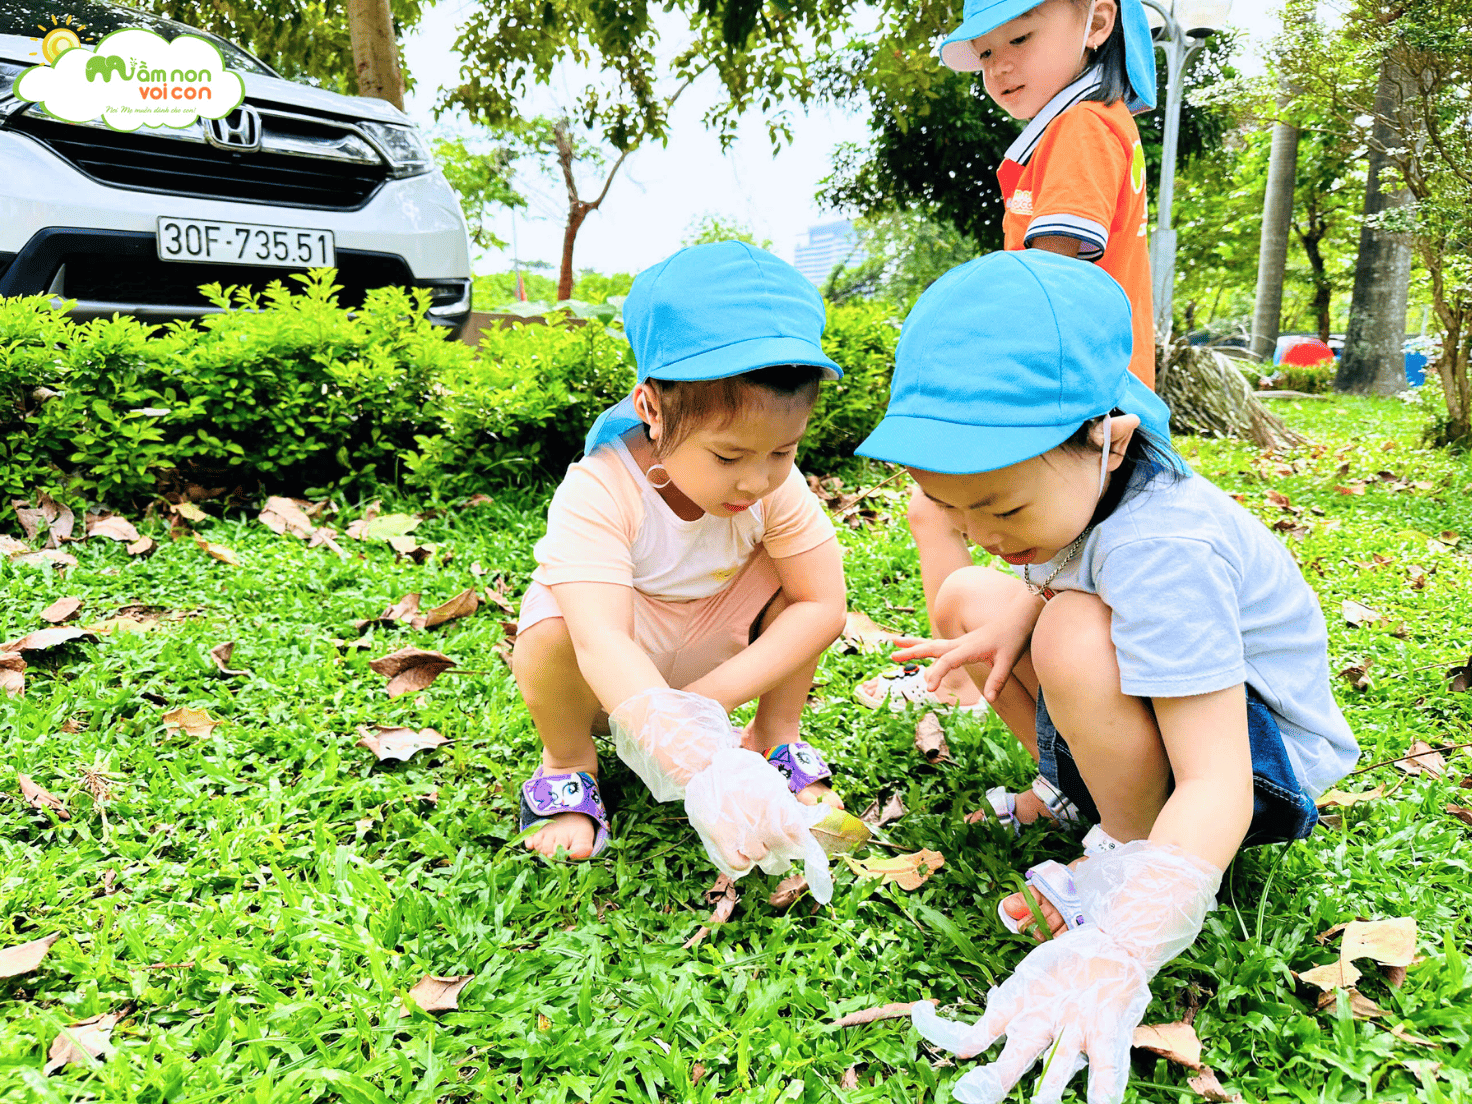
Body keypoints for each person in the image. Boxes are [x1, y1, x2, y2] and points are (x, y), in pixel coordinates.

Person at [852, 249, 1357, 1103]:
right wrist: (1019, 601)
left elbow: (1219, 779)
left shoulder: (1163, 546)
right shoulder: (1088, 493)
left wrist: (1124, 941)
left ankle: (1124, 852)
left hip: (1254, 769)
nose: (979, 531)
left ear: (1110, 440)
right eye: (952, 508)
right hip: (1176, 722)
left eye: (1003, 508)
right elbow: (1048, 568)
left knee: (1073, 635)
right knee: (983, 598)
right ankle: (1083, 798)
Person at [855, 0, 1162, 833]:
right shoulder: (1064, 131)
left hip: (1071, 408)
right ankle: (1068, 782)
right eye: (986, 52)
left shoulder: (1085, 130)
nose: (1000, 67)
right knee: (969, 549)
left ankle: (1114, 806)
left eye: (1020, 40)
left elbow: (1049, 282)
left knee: (1050, 592)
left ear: (1096, 23)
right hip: (1072, 403)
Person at [512, 241, 850, 889]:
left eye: (783, 450)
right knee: (552, 621)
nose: (758, 479)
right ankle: (568, 763)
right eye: (728, 456)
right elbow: (600, 637)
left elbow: (822, 606)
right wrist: (691, 754)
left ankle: (773, 735)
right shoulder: (601, 488)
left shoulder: (778, 487)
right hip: (607, 679)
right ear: (651, 409)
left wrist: (701, 709)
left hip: (714, 659)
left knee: (797, 587)